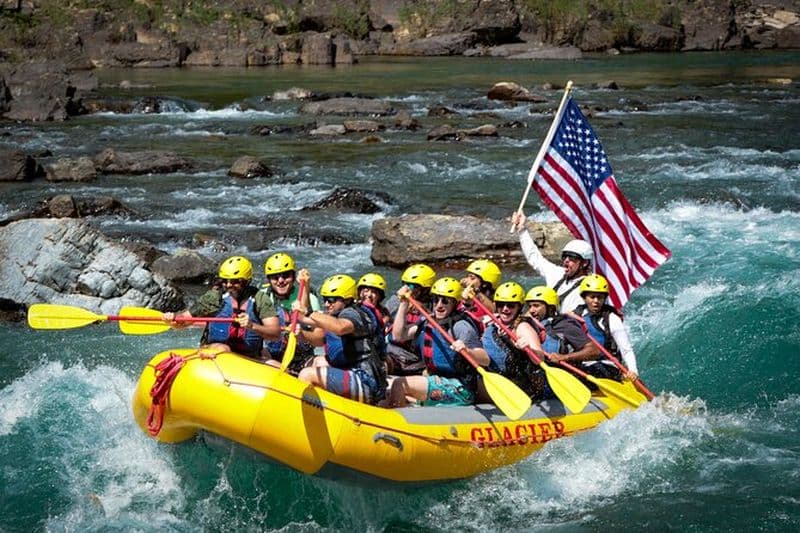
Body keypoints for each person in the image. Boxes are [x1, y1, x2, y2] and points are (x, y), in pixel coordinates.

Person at [387, 277, 489, 407]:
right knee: (393, 392)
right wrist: (404, 304)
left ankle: (399, 424)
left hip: (459, 387)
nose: (439, 305)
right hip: (437, 379)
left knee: (398, 384)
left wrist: (468, 351)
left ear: (455, 304)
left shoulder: (461, 326)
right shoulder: (427, 321)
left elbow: (485, 359)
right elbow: (398, 335)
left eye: (445, 301)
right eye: (436, 300)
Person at [293, 274, 387, 405]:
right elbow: (308, 324)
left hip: (366, 380)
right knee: (318, 361)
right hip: (350, 370)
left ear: (347, 300)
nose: (326, 304)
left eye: (331, 300)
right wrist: (305, 286)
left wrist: (309, 313)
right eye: (325, 299)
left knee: (306, 375)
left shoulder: (356, 314)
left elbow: (341, 327)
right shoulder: (334, 316)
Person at [163, 256, 277, 358]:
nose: (228, 285)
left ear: (247, 281)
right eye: (224, 281)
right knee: (224, 349)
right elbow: (185, 320)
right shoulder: (215, 297)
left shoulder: (259, 299)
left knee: (276, 365)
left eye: (235, 281)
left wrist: (252, 326)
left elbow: (275, 334)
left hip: (248, 357)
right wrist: (172, 320)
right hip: (216, 350)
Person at [511, 210, 594, 314]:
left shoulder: (589, 289)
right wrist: (522, 229)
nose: (566, 261)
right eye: (565, 256)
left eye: (572, 257)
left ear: (584, 263)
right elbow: (535, 258)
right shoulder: (557, 273)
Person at [480, 281, 548, 400]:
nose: (505, 309)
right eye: (501, 304)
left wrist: (528, 349)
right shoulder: (494, 323)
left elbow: (540, 359)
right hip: (503, 381)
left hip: (524, 387)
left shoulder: (523, 327)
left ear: (519, 307)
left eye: (511, 305)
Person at [569, 274, 639, 381]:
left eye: (600, 297)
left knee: (595, 369)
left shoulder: (611, 318)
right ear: (584, 297)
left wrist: (633, 371)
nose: (596, 301)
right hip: (582, 365)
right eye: (592, 297)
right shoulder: (575, 315)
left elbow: (626, 350)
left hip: (606, 366)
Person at [523, 285, 602, 378]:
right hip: (540, 374)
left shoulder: (565, 325)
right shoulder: (529, 325)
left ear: (550, 308)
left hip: (567, 375)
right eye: (530, 306)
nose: (531, 310)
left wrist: (564, 357)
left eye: (536, 306)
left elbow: (594, 351)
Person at [383, 263, 437, 376]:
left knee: (384, 364)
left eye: (412, 286)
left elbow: (399, 336)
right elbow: (382, 320)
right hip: (388, 347)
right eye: (405, 284)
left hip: (409, 357)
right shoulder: (395, 300)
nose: (406, 289)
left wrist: (419, 306)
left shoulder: (434, 308)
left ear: (425, 290)